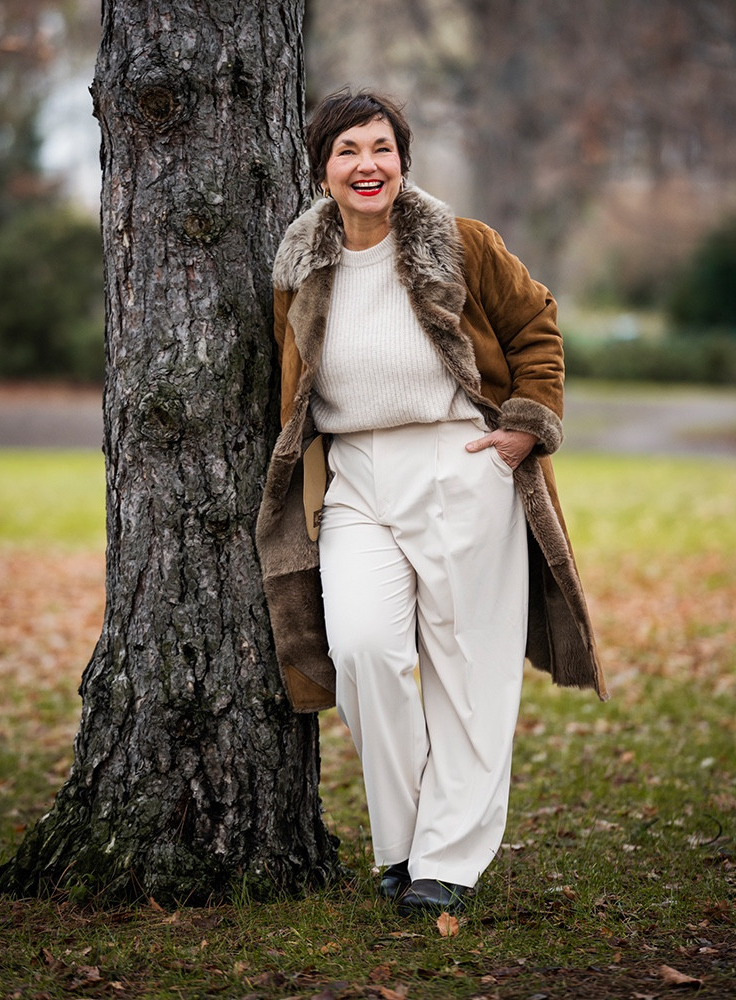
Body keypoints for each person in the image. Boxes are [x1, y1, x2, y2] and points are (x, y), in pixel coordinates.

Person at [256, 89, 607, 917]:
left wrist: (525, 428)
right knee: (366, 651)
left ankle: (445, 861)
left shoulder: (463, 244)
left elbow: (537, 327)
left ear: (403, 160)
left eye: (380, 148)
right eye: (347, 151)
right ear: (322, 169)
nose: (366, 164)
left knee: (468, 674)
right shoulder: (300, 266)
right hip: (354, 477)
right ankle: (406, 841)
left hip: (462, 461)